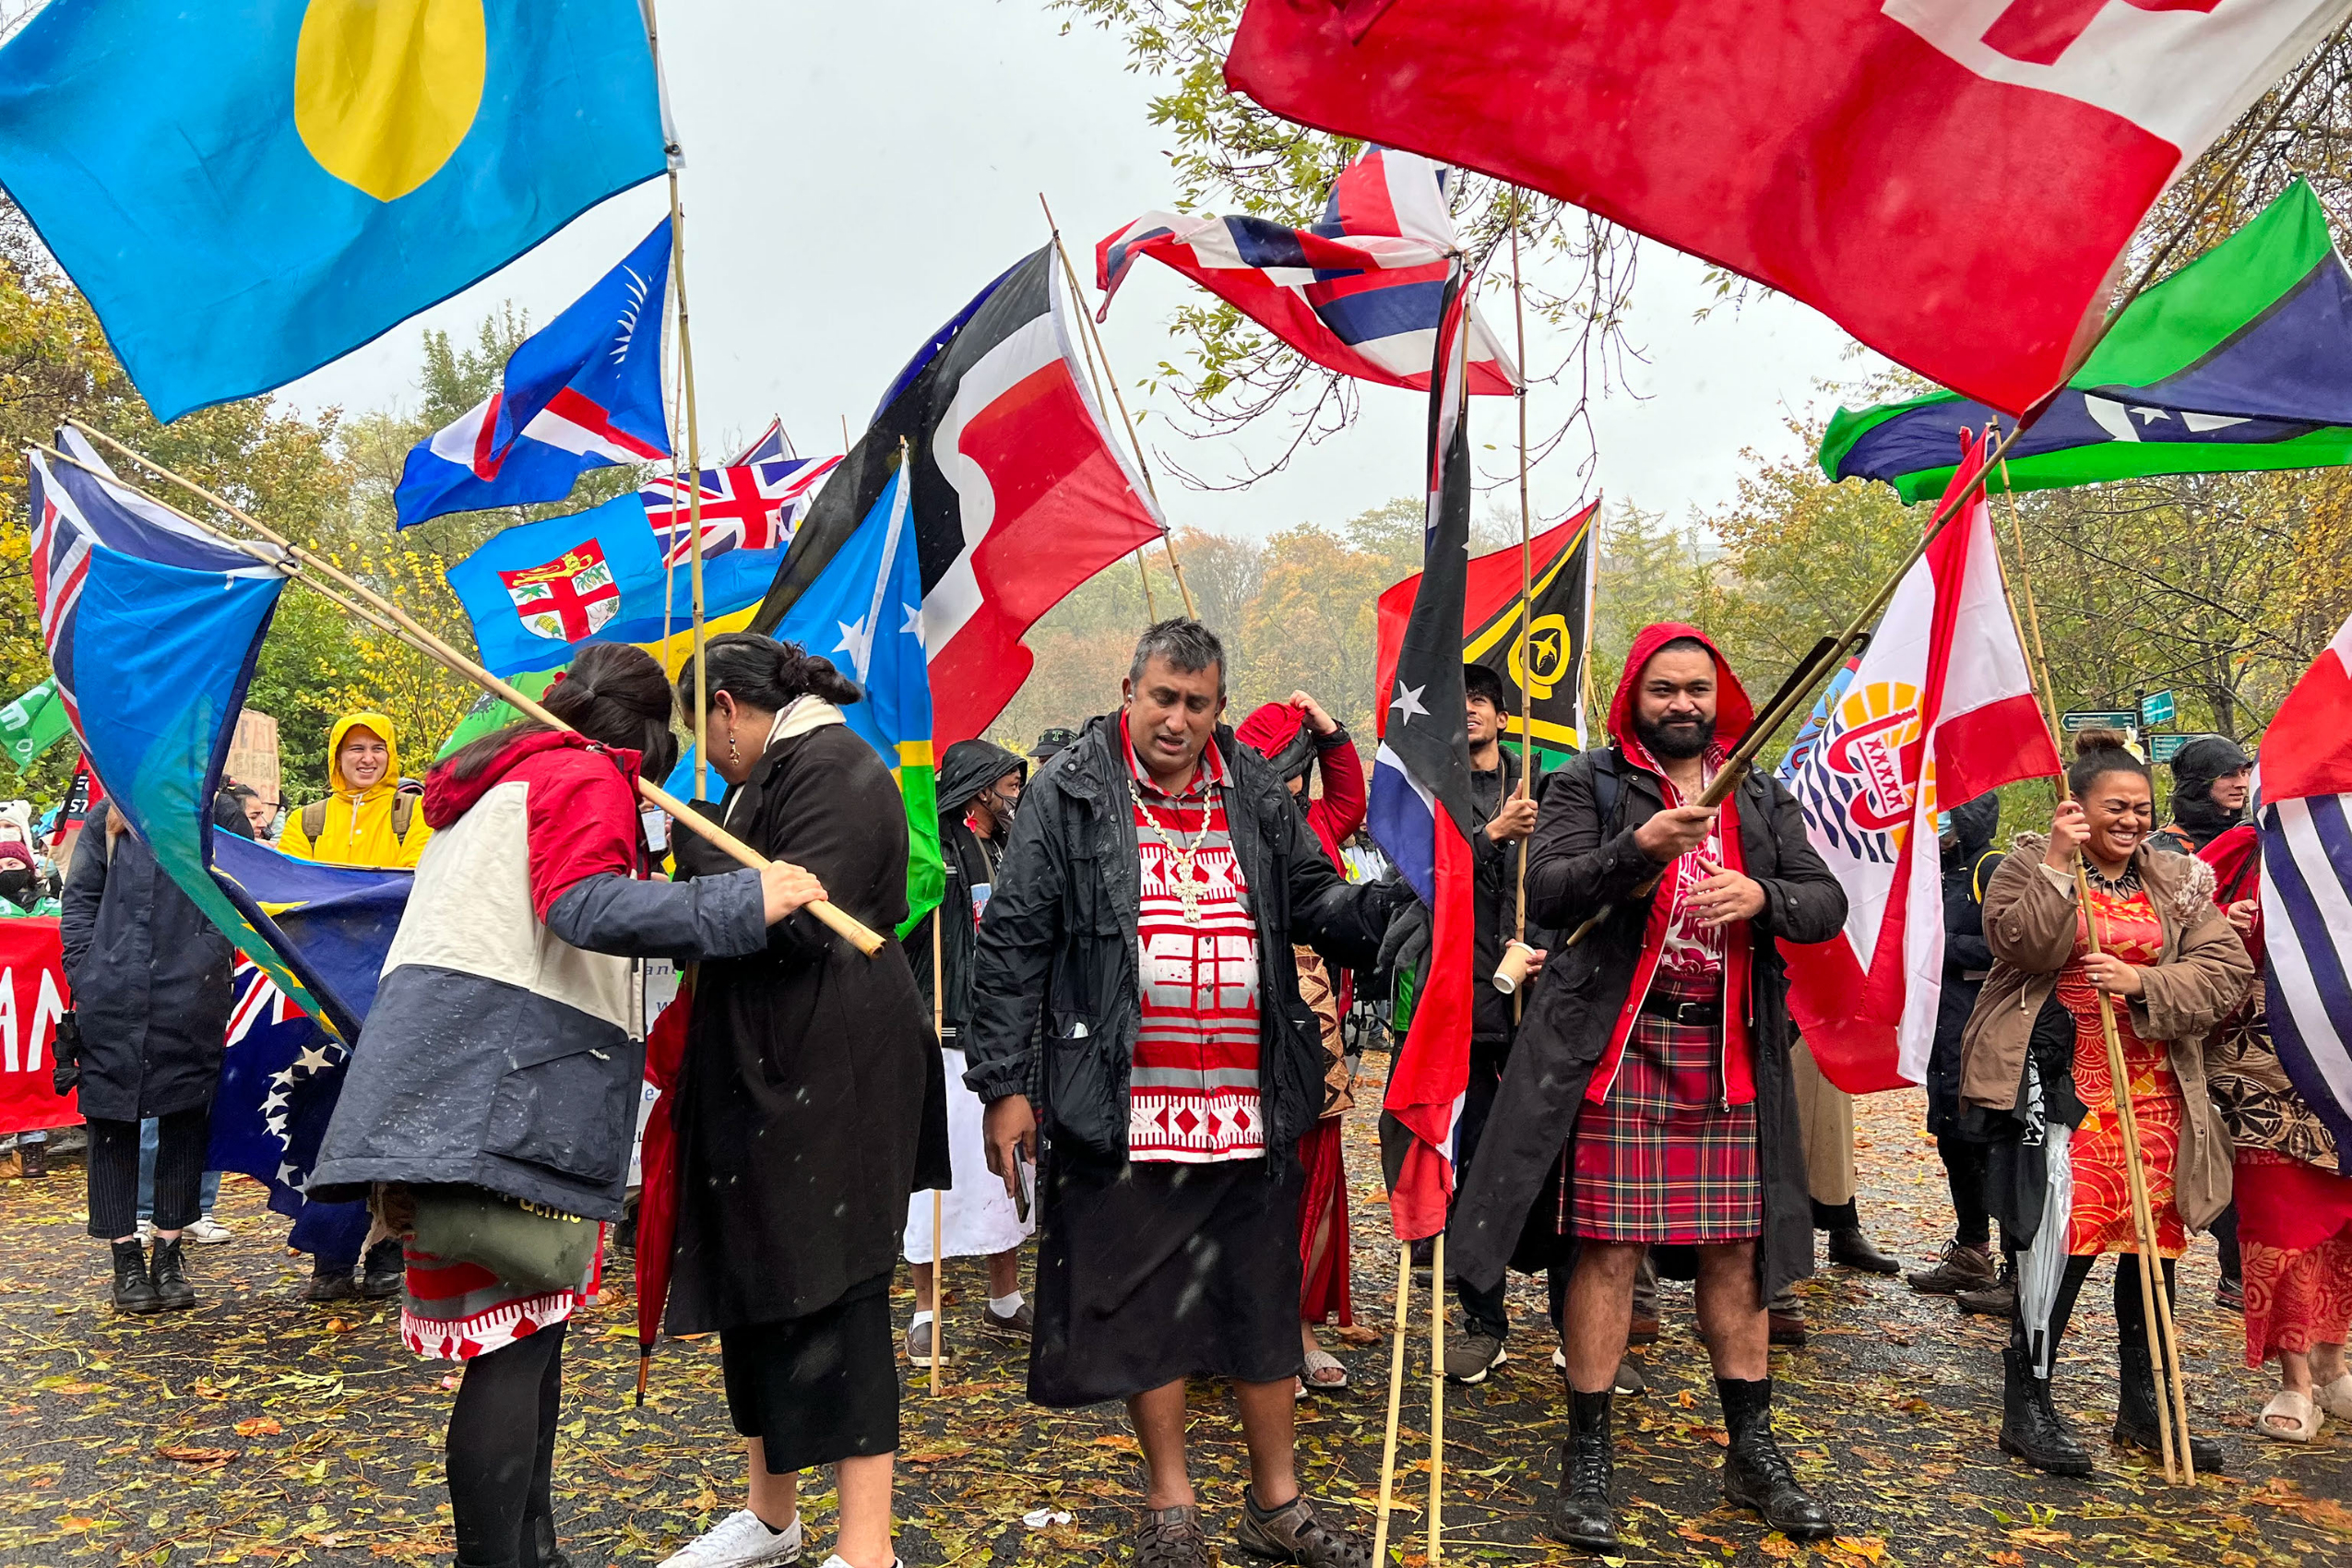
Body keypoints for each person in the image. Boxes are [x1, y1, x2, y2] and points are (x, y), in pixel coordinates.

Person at [309, 643, 827, 1568]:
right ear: (638, 741)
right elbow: (583, 904)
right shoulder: (581, 775)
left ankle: (534, 1547)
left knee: (528, 1331)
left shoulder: (494, 789)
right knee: (510, 1347)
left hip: (453, 1083)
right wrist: (743, 901)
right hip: (503, 1086)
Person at [966, 620, 1404, 1568]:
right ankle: (1172, 1502)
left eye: (1197, 702)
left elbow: (1315, 897)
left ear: (1218, 706)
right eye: (1162, 696)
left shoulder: (1251, 788)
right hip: (1119, 1100)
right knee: (1148, 1306)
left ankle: (1276, 1501)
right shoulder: (1069, 791)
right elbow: (1011, 945)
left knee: (1257, 1301)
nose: (1177, 718)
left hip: (1247, 1103)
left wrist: (1388, 907)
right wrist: (1005, 1085)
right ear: (1130, 688)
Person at [1448, 624, 1848, 1552]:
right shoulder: (1586, 784)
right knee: (1608, 1250)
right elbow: (1546, 889)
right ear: (1637, 695)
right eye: (1664, 688)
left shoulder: (1756, 789)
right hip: (1618, 1050)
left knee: (1737, 1256)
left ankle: (1751, 1449)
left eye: (1696, 689)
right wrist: (1638, 848)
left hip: (1729, 1053)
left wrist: (1762, 897)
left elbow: (1822, 900)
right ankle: (1587, 1454)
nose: (1683, 703)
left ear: (1719, 696)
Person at [656, 634, 932, 1568]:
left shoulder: (839, 766)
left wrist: (695, 845)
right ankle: (772, 1516)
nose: (704, 750)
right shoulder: (764, 773)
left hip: (836, 1065)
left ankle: (867, 1544)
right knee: (759, 1277)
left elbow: (799, 922)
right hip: (762, 1062)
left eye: (704, 729)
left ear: (730, 707)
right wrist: (708, 832)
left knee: (837, 1285)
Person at [1958, 730, 2251, 1477]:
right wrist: (2059, 862)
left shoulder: (2178, 878)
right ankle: (2028, 1405)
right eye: (2113, 807)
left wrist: (2143, 983)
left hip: (2156, 1092)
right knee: (2061, 1249)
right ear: (2076, 810)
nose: (2129, 821)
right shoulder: (2027, 863)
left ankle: (2145, 1412)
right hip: (2064, 1093)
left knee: (2154, 1259)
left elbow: (2223, 971)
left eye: (2140, 808)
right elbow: (2021, 945)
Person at [2197, 823, 2352, 1441]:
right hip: (2263, 1067)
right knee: (2281, 1222)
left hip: (2345, 1058)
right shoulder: (2243, 848)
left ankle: (2333, 1360)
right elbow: (2170, 930)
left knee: (2344, 1222)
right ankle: (2296, 1381)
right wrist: (2220, 931)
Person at [1234, 689, 1368, 1394]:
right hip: (1230, 1021)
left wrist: (1330, 728)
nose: (1283, 781)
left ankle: (1300, 1327)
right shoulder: (1213, 825)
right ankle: (1232, 1328)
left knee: (1315, 1176)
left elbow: (1353, 799)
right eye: (1268, 764)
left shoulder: (1317, 823)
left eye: (1295, 765)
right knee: (1237, 1184)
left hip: (1313, 1021)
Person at [279, 709, 432, 1302]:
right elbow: (281, 892)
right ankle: (332, 1253)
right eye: (354, 749)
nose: (366, 758)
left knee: (388, 1119)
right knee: (325, 1116)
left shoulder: (414, 816)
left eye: (376, 748)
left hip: (393, 992)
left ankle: (391, 1247)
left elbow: (419, 882)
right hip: (321, 997)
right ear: (336, 757)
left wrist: (341, 899)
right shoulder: (306, 822)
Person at [60, 804, 236, 1313]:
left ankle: (169, 1252)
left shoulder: (214, 813)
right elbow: (80, 903)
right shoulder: (106, 818)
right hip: (112, 997)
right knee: (112, 1124)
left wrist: (206, 962)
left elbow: (229, 900)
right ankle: (126, 1260)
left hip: (191, 997)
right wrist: (88, 968)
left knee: (184, 1121)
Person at [900, 738, 1036, 1370]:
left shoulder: (1013, 848)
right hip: (943, 1034)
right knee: (935, 1181)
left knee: (1004, 1174)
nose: (1016, 795)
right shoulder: (938, 851)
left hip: (1003, 1039)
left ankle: (1004, 1298)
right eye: (1008, 785)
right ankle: (926, 1312)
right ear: (980, 791)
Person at [1907, 794, 2007, 1302]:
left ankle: (2016, 1273)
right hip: (1940, 1032)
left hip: (1982, 1031)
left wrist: (1937, 942)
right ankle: (1972, 1254)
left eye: (1945, 813)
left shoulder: (1992, 868)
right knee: (1952, 1139)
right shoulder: (1933, 870)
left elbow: (2014, 947)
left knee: (1991, 1142)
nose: (1936, 824)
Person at [2151, 735, 2252, 856]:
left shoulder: (2251, 838)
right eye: (2227, 774)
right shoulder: (2163, 850)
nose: (2241, 784)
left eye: (2244, 773)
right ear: (2198, 782)